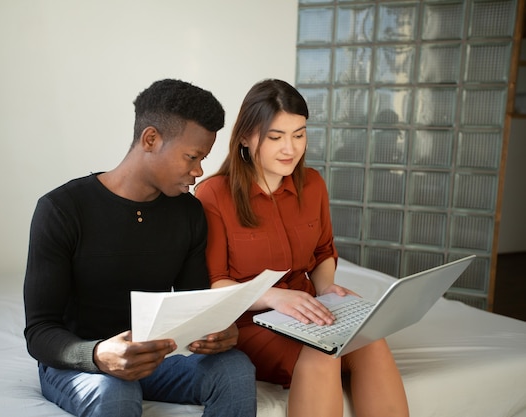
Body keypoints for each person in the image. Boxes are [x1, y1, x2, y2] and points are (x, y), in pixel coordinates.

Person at [23, 79, 257, 417]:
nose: (199, 171)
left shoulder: (188, 213)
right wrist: (98, 355)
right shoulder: (62, 209)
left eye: (203, 158)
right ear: (150, 139)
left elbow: (194, 304)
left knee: (234, 369)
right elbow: (39, 331)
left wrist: (218, 332)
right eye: (192, 157)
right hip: (80, 360)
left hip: (156, 359)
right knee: (115, 390)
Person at [195, 79, 409, 417]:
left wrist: (328, 289)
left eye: (299, 134)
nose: (290, 149)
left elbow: (324, 252)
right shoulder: (214, 195)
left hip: (309, 310)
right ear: (247, 139)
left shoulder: (313, 185)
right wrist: (273, 297)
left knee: (372, 342)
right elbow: (216, 282)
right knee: (324, 353)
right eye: (276, 137)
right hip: (253, 322)